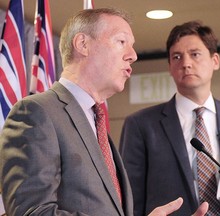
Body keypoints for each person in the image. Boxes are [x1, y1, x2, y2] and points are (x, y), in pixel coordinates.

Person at [0, 9, 209, 216]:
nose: (133, 55)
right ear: (83, 44)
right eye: (121, 42)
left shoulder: (95, 120)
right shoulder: (36, 112)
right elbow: (31, 212)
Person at [120, 20, 220, 216]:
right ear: (169, 66)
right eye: (176, 57)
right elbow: (129, 203)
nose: (186, 63)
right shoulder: (140, 125)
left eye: (195, 54)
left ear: (215, 61)